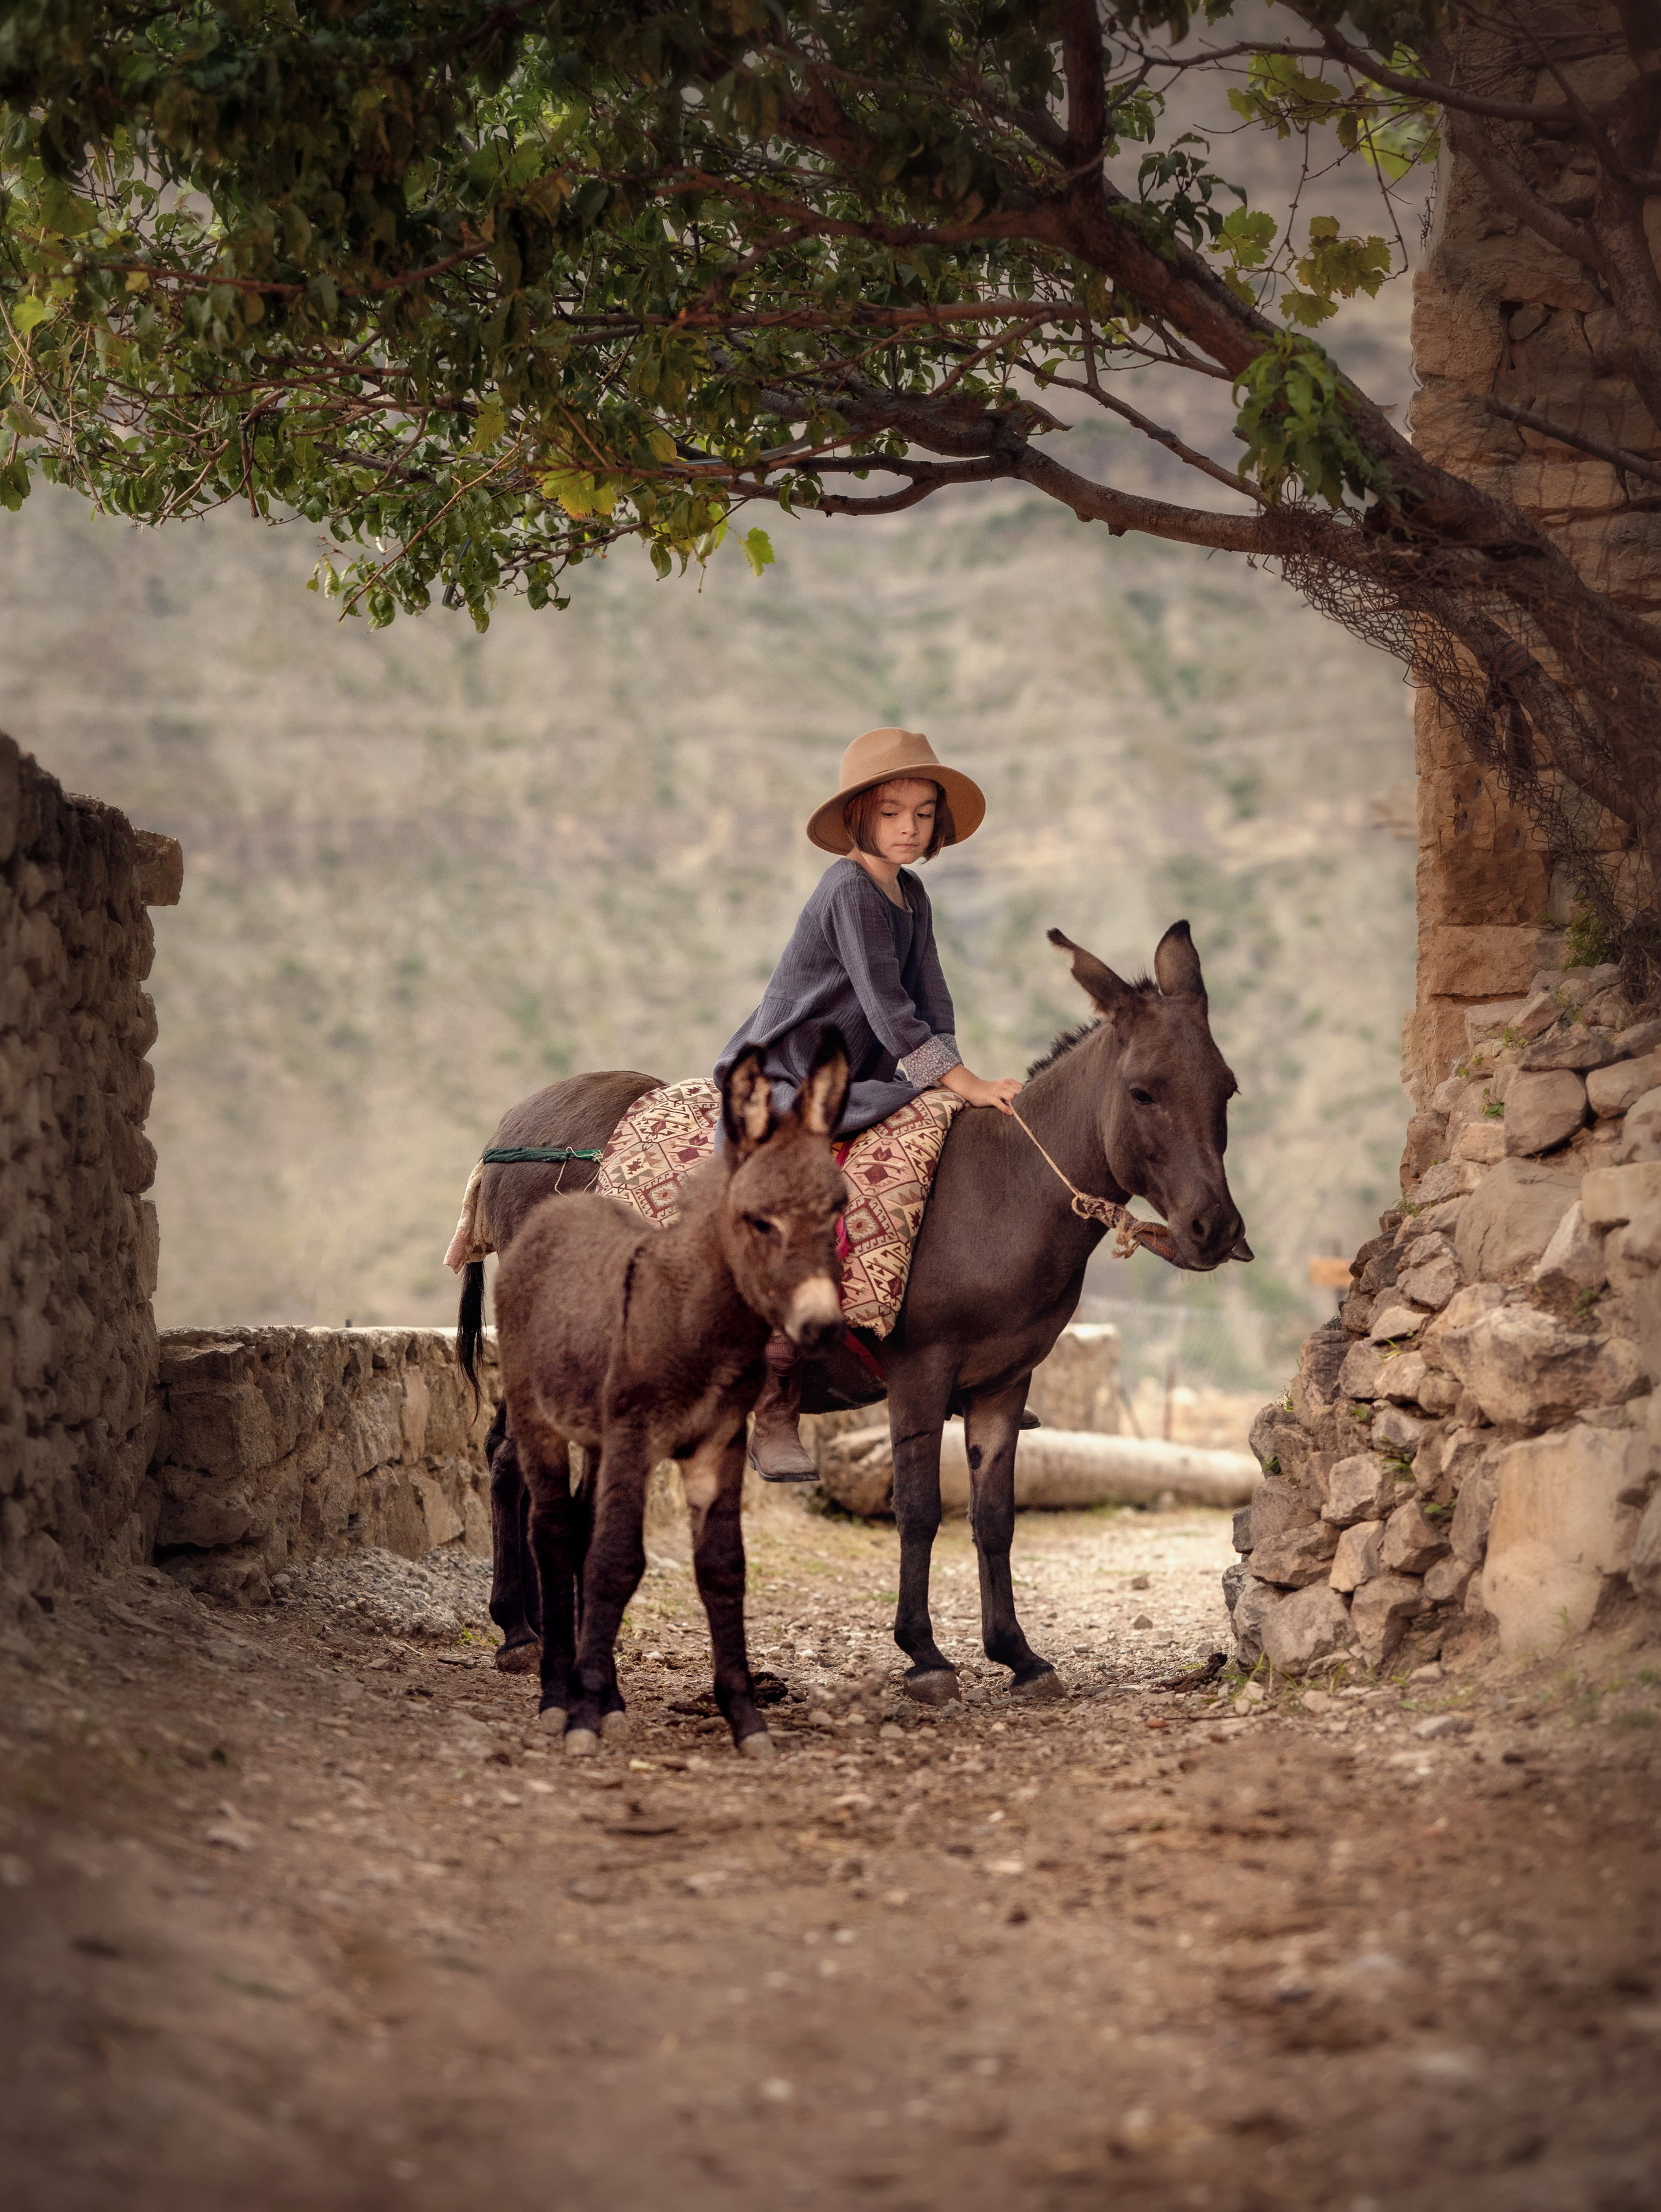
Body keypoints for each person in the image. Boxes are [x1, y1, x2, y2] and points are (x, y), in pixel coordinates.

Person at [713, 727, 1023, 1479]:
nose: (908, 828)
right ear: (858, 816)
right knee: (803, 1205)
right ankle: (775, 1405)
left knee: (939, 1160)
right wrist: (965, 1081)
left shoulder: (910, 893)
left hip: (870, 1072)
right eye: (891, 813)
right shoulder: (848, 888)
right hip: (794, 1076)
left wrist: (947, 1069)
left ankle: (954, 1362)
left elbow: (930, 999)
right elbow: (888, 1008)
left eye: (922, 813)